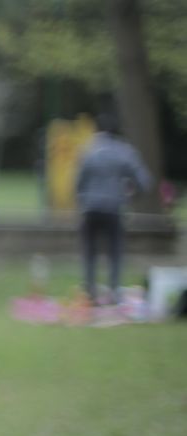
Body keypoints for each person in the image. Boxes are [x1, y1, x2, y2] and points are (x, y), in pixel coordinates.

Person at [75, 112, 153, 304]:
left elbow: (78, 183)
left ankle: (90, 291)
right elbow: (144, 181)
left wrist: (84, 198)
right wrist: (131, 195)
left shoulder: (88, 150)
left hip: (90, 208)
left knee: (90, 251)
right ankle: (114, 291)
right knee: (115, 252)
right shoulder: (124, 151)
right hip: (113, 208)